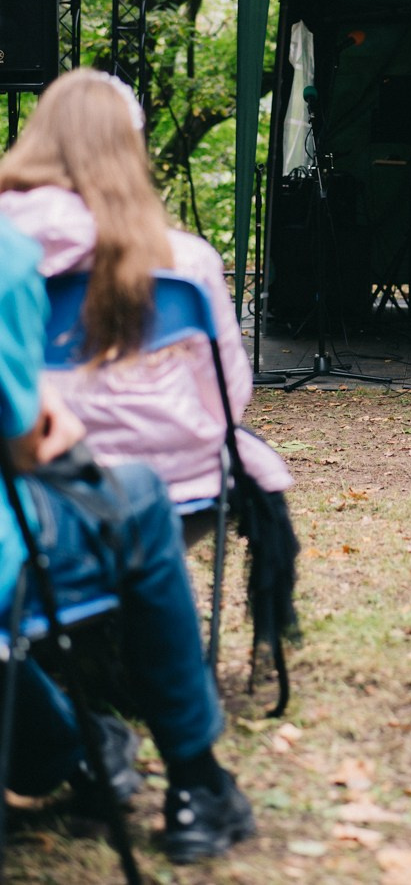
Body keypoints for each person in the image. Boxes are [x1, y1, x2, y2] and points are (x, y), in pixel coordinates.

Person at [0, 69, 299, 681]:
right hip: (171, 479)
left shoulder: (8, 253)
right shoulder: (183, 263)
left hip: (26, 472)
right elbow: (229, 399)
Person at [0, 210, 256, 861]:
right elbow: (232, 392)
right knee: (137, 494)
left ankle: (76, 748)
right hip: (50, 529)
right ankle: (196, 782)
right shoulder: (11, 258)